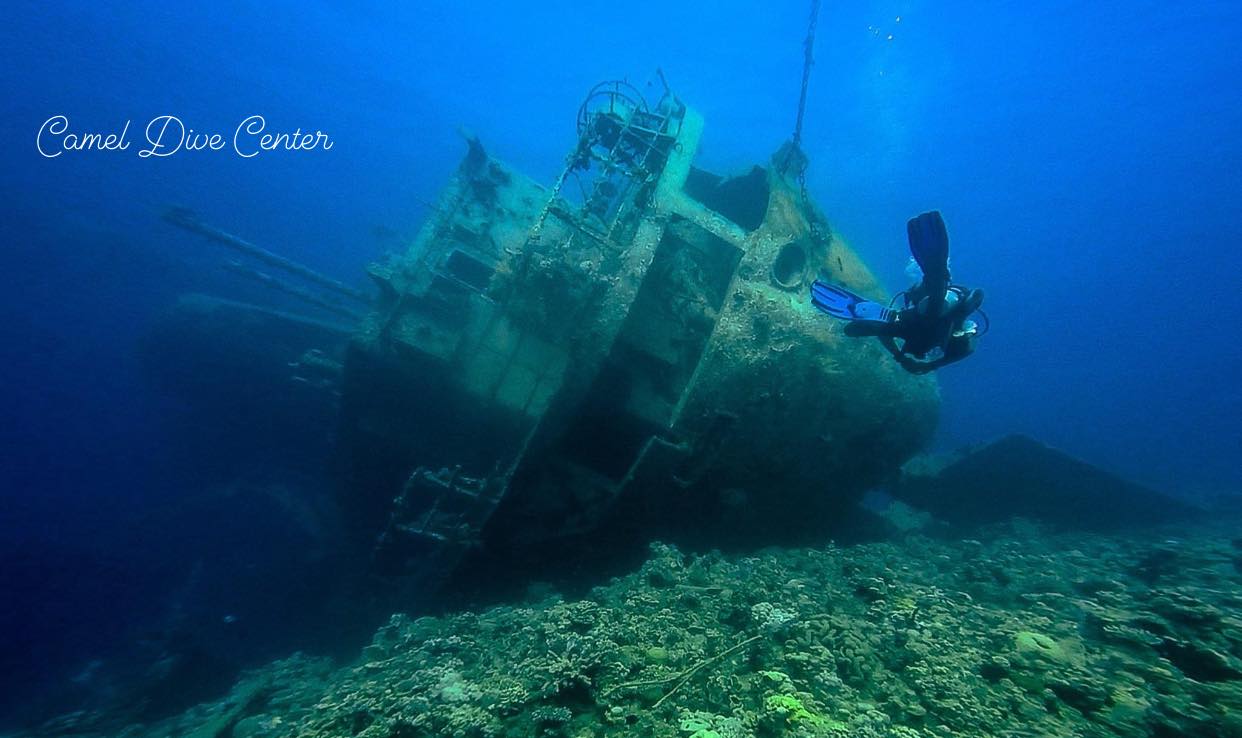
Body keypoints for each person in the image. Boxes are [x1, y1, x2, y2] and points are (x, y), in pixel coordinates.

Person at [810, 211, 987, 374]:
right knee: (934, 308)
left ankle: (935, 279)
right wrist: (925, 364)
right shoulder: (957, 339)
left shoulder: (914, 337)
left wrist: (902, 358)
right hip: (935, 314)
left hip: (915, 323)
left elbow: (880, 332)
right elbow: (976, 301)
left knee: (853, 330)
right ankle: (937, 276)